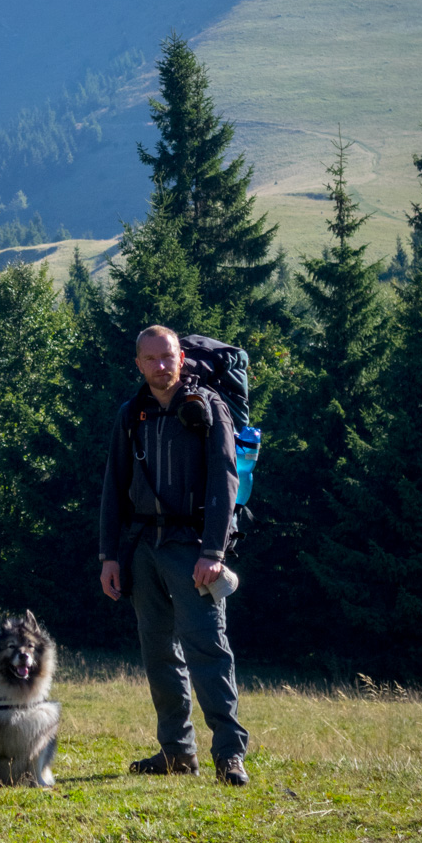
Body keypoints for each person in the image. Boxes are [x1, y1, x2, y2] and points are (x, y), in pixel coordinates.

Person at [99, 325, 249, 786]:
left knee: (208, 648)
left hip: (193, 550)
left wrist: (213, 551)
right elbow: (113, 487)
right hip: (144, 549)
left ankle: (229, 755)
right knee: (159, 652)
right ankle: (176, 752)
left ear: (181, 357)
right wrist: (109, 555)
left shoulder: (207, 408)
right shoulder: (133, 415)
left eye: (168, 357)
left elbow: (225, 483)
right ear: (138, 363)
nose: (161, 366)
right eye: (152, 359)